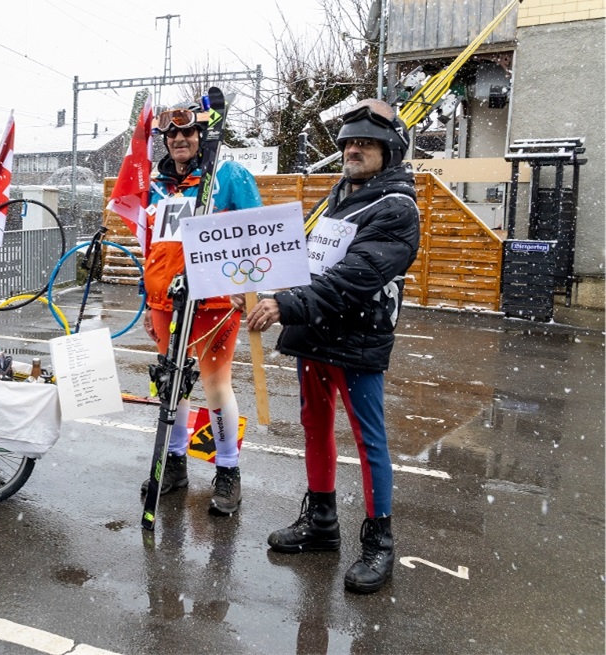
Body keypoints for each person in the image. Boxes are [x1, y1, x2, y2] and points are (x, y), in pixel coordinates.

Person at [239, 98, 419, 594]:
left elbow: (354, 277)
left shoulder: (397, 209)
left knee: (368, 442)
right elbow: (305, 260)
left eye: (367, 143)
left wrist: (286, 306)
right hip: (316, 334)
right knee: (314, 428)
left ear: (390, 151)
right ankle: (321, 522)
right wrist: (254, 285)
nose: (354, 149)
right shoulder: (339, 195)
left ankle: (379, 542)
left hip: (357, 339)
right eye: (349, 142)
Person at [140, 101, 263, 515]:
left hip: (213, 300)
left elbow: (256, 233)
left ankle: (228, 469)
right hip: (165, 300)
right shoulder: (158, 186)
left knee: (215, 384)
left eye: (187, 133)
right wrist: (146, 300)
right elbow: (151, 247)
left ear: (201, 137)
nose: (179, 140)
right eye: (172, 135)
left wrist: (249, 291)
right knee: (171, 382)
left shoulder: (227, 176)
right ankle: (174, 462)